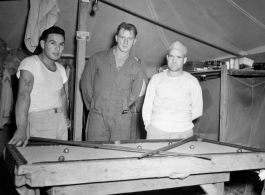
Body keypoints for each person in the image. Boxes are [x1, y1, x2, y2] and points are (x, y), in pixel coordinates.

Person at [80, 22, 145, 141]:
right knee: (94, 152)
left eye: (129, 38)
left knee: (119, 153)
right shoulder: (97, 58)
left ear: (134, 41)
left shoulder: (136, 67)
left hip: (122, 118)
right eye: (122, 37)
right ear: (116, 38)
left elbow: (135, 92)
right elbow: (85, 83)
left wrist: (124, 105)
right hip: (98, 116)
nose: (125, 42)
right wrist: (94, 105)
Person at [9, 26, 70, 147]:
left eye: (61, 44)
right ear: (43, 44)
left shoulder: (61, 69)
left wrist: (65, 116)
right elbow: (23, 95)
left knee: (60, 161)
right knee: (41, 163)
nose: (57, 48)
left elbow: (62, 95)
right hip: (39, 121)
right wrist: (21, 128)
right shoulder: (31, 63)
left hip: (60, 122)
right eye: (53, 43)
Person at [142, 41, 203, 139]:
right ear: (167, 58)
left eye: (179, 57)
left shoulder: (192, 81)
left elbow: (198, 110)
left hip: (183, 134)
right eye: (171, 56)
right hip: (156, 132)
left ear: (184, 60)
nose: (174, 60)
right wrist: (148, 126)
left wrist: (180, 121)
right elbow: (147, 106)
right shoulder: (156, 79)